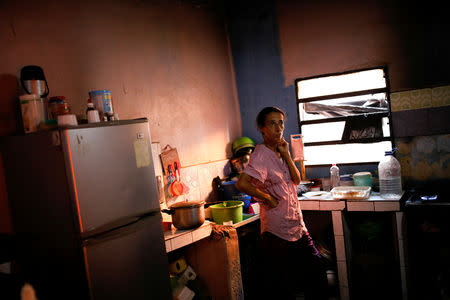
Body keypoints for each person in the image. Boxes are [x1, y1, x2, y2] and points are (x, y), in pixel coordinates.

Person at [236, 106, 328, 300]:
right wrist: (268, 197)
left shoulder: (279, 150)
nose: (279, 128)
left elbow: (296, 179)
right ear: (262, 128)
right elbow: (242, 183)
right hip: (276, 229)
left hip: (296, 225)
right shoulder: (261, 154)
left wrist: (286, 154)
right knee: (283, 285)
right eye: (272, 123)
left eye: (281, 123)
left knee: (317, 271)